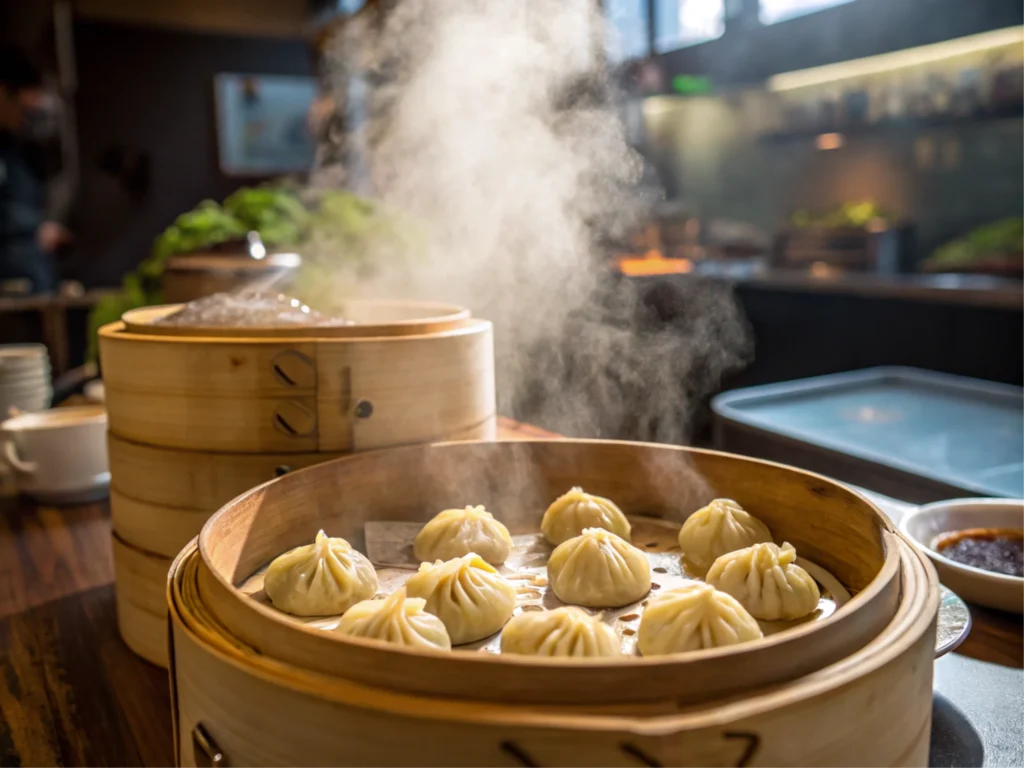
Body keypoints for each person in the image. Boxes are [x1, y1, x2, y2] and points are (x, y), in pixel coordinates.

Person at [0, 45, 70, 294]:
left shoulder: (14, 147)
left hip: (33, 280)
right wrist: (33, 227)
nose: (26, 119)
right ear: (3, 91)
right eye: (24, 108)